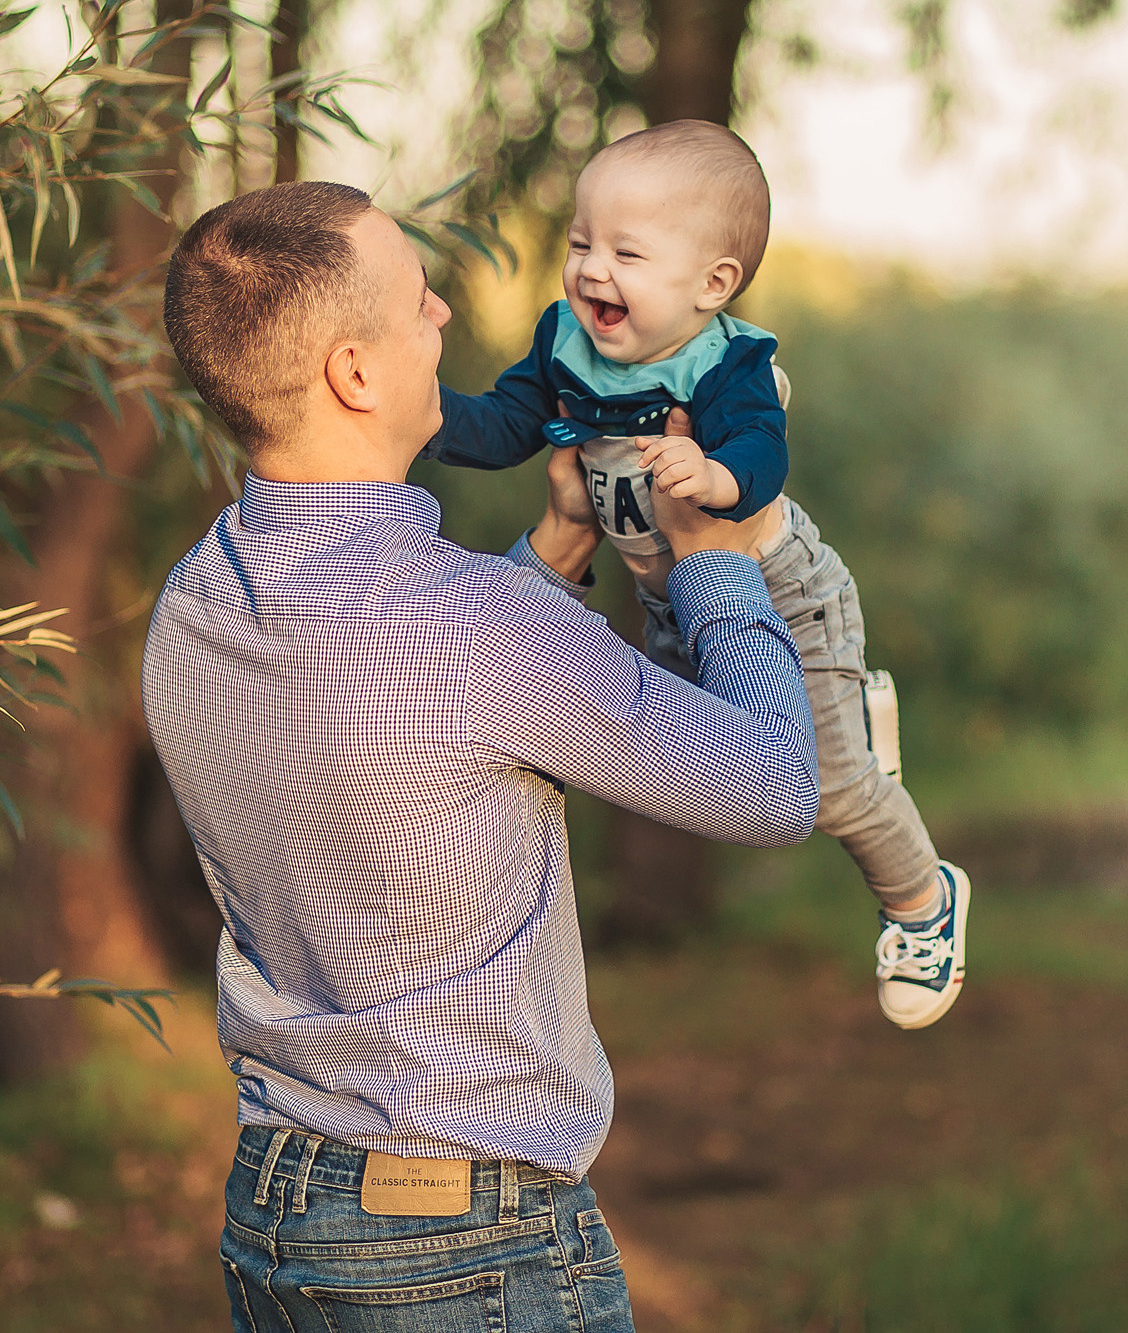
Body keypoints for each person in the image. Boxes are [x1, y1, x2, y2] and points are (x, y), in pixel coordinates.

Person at [142, 180, 819, 1332]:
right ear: (354, 375)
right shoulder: (474, 631)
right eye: (417, 304)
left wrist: (554, 549)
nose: (446, 314)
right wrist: (714, 555)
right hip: (461, 1245)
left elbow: (405, 709)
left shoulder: (199, 597)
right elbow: (773, 785)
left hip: (276, 1220)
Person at [423, 120, 972, 1029]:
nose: (593, 268)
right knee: (706, 771)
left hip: (781, 594)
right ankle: (846, 718)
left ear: (711, 284)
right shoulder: (565, 342)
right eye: (580, 243)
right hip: (669, 603)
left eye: (627, 253)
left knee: (830, 791)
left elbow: (761, 449)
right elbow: (498, 426)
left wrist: (717, 477)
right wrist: (415, 411)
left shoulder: (728, 362)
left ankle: (922, 897)